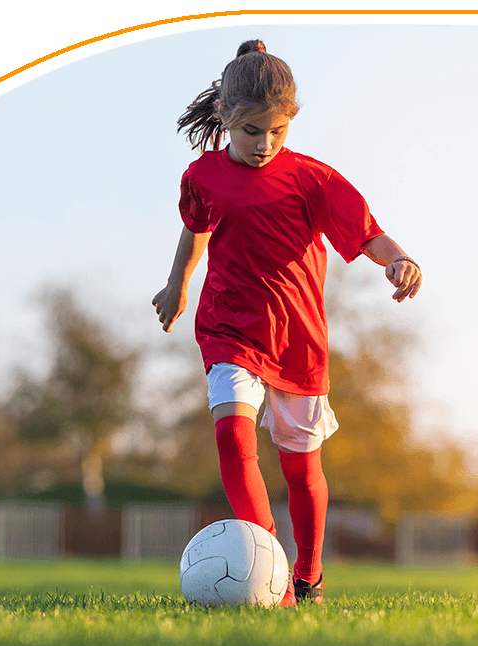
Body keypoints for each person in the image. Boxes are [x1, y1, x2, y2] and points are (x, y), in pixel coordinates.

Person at [152, 39, 422, 606]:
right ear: (225, 118)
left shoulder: (312, 179)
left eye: (278, 131)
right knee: (232, 433)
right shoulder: (202, 176)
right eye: (252, 131)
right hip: (228, 327)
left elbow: (367, 232)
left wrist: (397, 259)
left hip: (298, 339)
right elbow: (197, 227)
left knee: (302, 472)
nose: (265, 144)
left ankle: (308, 573)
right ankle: (267, 563)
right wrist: (177, 284)